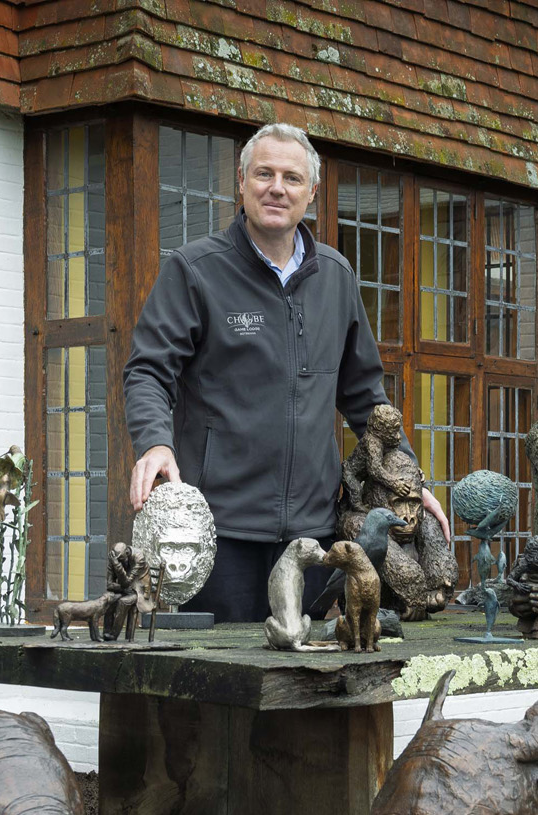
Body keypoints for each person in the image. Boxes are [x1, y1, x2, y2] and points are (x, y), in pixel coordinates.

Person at [123, 122, 450, 623]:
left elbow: (365, 396)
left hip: (312, 540)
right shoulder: (195, 270)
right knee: (222, 689)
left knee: (307, 686)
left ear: (312, 192)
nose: (277, 187)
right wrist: (155, 442)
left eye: (292, 178)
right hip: (217, 536)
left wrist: (406, 479)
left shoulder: (336, 277)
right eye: (264, 174)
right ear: (242, 181)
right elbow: (149, 369)